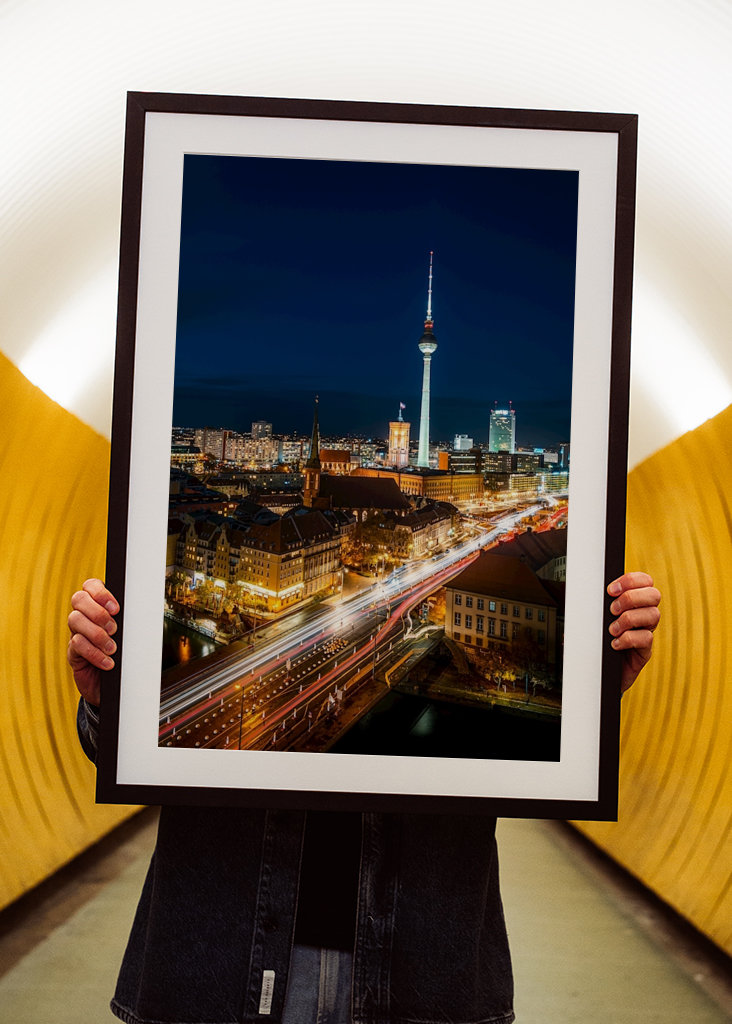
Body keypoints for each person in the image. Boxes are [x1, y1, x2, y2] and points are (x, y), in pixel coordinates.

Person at [68, 572, 660, 1024]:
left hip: (418, 968)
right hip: (223, 960)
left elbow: (536, 759)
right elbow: (119, 754)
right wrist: (109, 702)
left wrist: (585, 694)